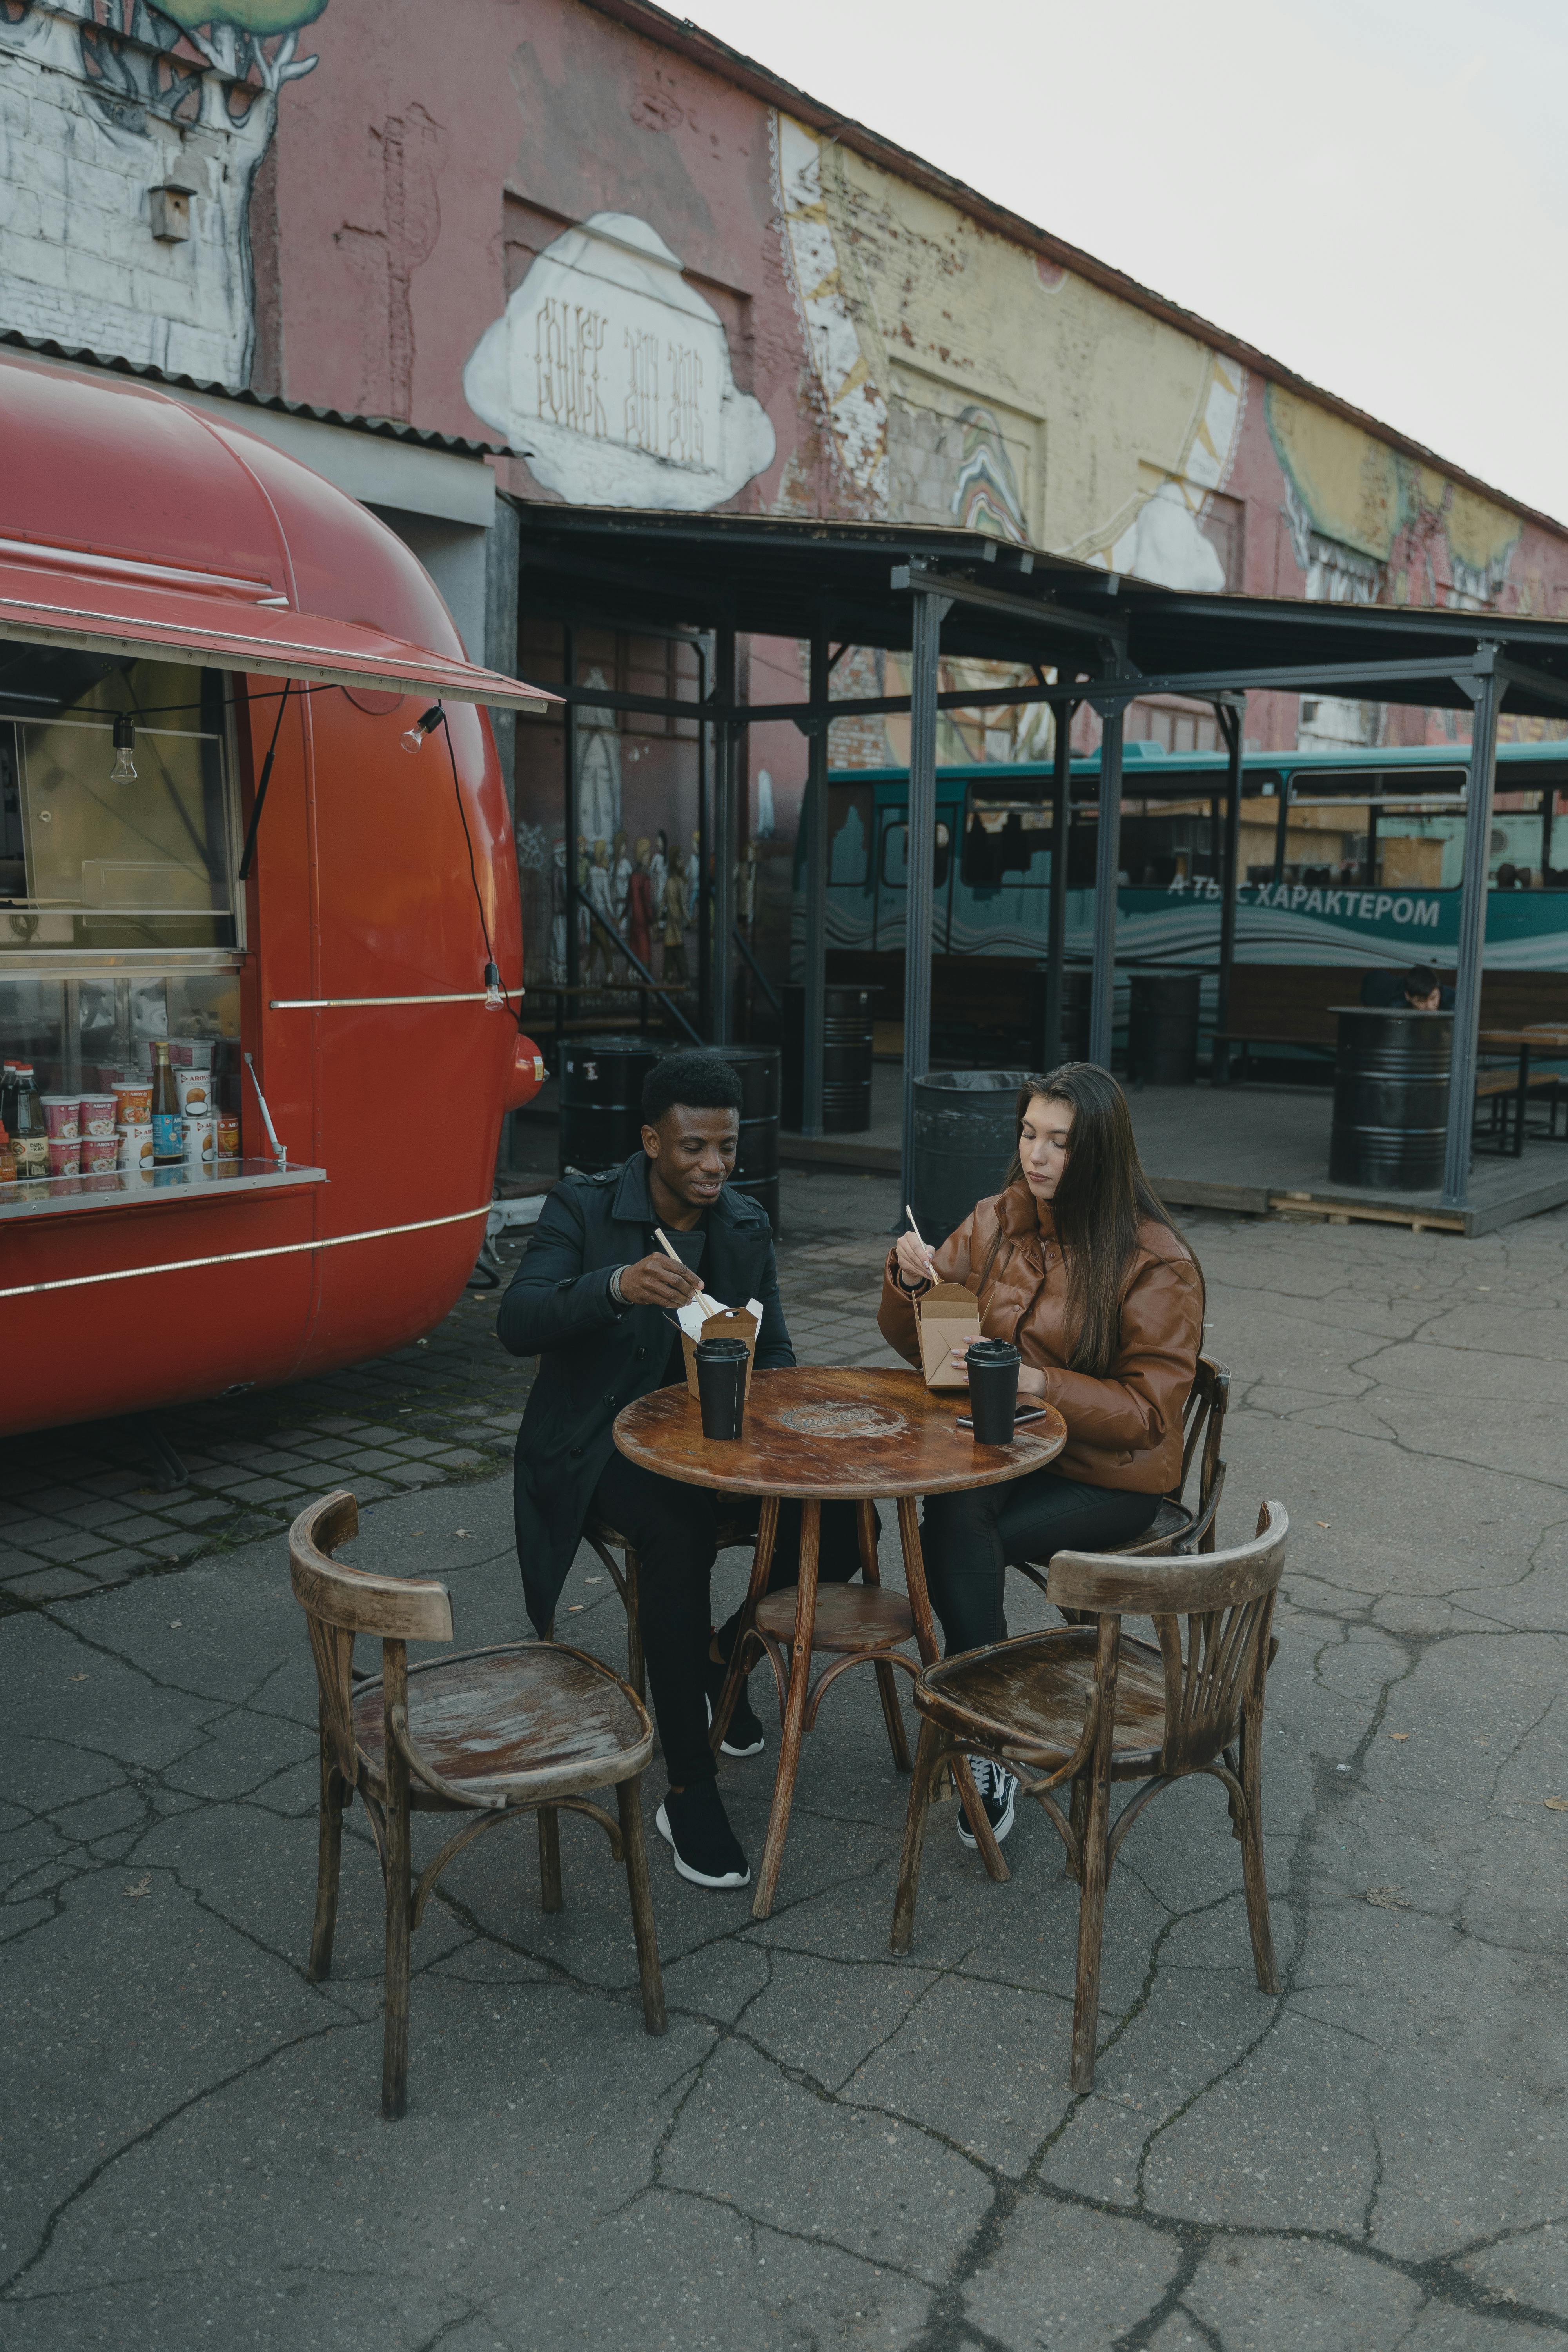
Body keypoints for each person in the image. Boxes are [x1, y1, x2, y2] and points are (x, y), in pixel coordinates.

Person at [499, 1052, 866, 1892]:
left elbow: (773, 1351)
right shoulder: (583, 1205)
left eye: (726, 1149)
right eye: (693, 1147)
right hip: (597, 1448)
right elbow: (517, 1321)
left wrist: (776, 1396)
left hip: (718, 1443)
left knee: (847, 1517)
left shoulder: (741, 1224)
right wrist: (617, 1286)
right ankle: (688, 1789)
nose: (712, 1167)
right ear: (650, 1141)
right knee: (678, 1524)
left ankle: (719, 1662)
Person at [878, 1063, 1203, 1855]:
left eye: (1059, 1140)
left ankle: (982, 1731)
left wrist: (1035, 1380)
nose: (1037, 1154)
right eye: (1028, 1133)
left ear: (1098, 1151)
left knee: (954, 1525)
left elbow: (1146, 1414)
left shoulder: (1154, 1262)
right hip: (1015, 1452)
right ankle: (990, 1719)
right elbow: (918, 1345)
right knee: (953, 1509)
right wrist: (906, 1280)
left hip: (1112, 1476)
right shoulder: (998, 1219)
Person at [1359, 963, 1455, 1011]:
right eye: (1421, 1001)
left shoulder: (1454, 1003)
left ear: (1438, 990)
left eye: (1434, 998)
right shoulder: (1395, 1002)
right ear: (1408, 996)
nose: (1430, 1007)